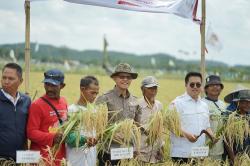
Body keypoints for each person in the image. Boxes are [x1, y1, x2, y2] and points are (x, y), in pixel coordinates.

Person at [96, 63, 141, 166]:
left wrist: (136, 147)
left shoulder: (135, 100)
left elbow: (137, 126)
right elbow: (97, 126)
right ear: (115, 78)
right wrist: (113, 134)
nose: (125, 80)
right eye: (122, 77)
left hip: (128, 151)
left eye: (128, 77)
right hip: (109, 151)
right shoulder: (104, 98)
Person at [169, 72, 215, 163]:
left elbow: (206, 126)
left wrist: (212, 136)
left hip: (199, 154)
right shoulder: (177, 103)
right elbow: (171, 125)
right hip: (182, 154)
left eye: (198, 84)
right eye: (192, 84)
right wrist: (187, 135)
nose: (195, 87)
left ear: (201, 86)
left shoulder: (204, 105)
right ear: (186, 85)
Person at [27, 69, 68, 165]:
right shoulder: (37, 105)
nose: (49, 88)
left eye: (53, 85)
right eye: (47, 84)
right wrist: (52, 137)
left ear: (62, 86)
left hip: (59, 157)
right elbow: (31, 132)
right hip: (42, 158)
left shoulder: (64, 102)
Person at [0, 63, 31, 162]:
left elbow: (26, 129)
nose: (6, 81)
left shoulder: (26, 100)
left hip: (20, 158)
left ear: (20, 81)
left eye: (11, 78)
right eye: (4, 78)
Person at [66, 76, 99, 166]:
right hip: (75, 158)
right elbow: (68, 137)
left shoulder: (95, 110)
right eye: (92, 93)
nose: (95, 96)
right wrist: (84, 140)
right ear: (82, 89)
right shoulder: (72, 110)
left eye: (97, 93)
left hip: (91, 158)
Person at [138, 76, 163, 164]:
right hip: (140, 153)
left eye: (155, 88)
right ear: (142, 89)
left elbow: (160, 128)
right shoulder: (137, 105)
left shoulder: (159, 105)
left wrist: (161, 147)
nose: (153, 91)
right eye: (150, 88)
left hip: (154, 153)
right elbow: (133, 128)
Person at [202, 75, 225, 160]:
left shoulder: (223, 104)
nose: (215, 87)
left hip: (219, 150)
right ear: (206, 89)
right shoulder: (201, 104)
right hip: (204, 150)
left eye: (217, 85)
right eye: (211, 85)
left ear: (221, 88)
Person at [223, 89, 250, 163]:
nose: (248, 105)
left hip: (246, 154)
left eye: (249, 102)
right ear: (238, 102)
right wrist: (233, 159)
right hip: (234, 155)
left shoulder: (248, 115)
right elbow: (227, 140)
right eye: (244, 102)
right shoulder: (230, 116)